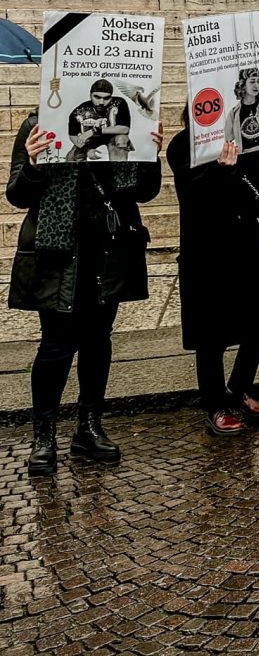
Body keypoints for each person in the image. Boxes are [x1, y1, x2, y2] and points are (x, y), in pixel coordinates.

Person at [9, 111, 162, 476]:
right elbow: (16, 194)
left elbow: (142, 192)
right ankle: (44, 436)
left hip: (107, 249)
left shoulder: (127, 126)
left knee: (97, 340)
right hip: (59, 253)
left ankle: (89, 427)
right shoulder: (37, 125)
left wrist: (150, 155)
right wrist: (32, 163)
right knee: (56, 345)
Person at [170, 117, 259, 433]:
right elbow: (192, 196)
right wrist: (220, 169)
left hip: (245, 243)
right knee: (211, 334)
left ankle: (238, 388)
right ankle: (215, 406)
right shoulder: (181, 145)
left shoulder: (243, 142)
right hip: (206, 250)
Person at [66, 79, 133, 161]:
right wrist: (87, 150)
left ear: (111, 96)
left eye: (106, 98)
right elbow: (73, 136)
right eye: (97, 97)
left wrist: (94, 131)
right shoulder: (79, 111)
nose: (101, 102)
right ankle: (82, 173)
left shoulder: (119, 102)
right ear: (90, 95)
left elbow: (124, 129)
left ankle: (118, 171)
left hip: (112, 136)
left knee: (121, 139)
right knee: (72, 157)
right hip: (91, 139)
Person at [223, 67, 259, 151]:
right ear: (243, 85)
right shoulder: (234, 113)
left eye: (258, 81)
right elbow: (228, 140)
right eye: (252, 81)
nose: (256, 85)